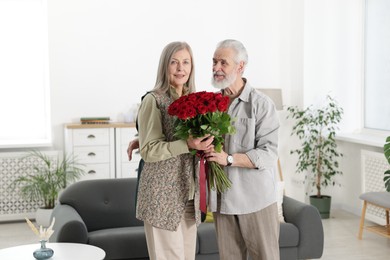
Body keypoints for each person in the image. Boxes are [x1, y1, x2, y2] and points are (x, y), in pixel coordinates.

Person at [134, 41, 214, 260]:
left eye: (186, 62)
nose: (181, 68)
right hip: (162, 196)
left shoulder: (195, 101)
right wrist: (186, 144)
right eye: (174, 62)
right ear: (165, 66)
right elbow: (149, 150)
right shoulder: (154, 99)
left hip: (189, 196)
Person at [204, 39, 280, 260]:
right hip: (223, 202)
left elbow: (269, 154)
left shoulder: (261, 104)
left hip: (255, 200)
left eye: (223, 63)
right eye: (214, 61)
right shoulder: (211, 104)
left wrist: (228, 159)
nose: (216, 68)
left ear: (240, 67)